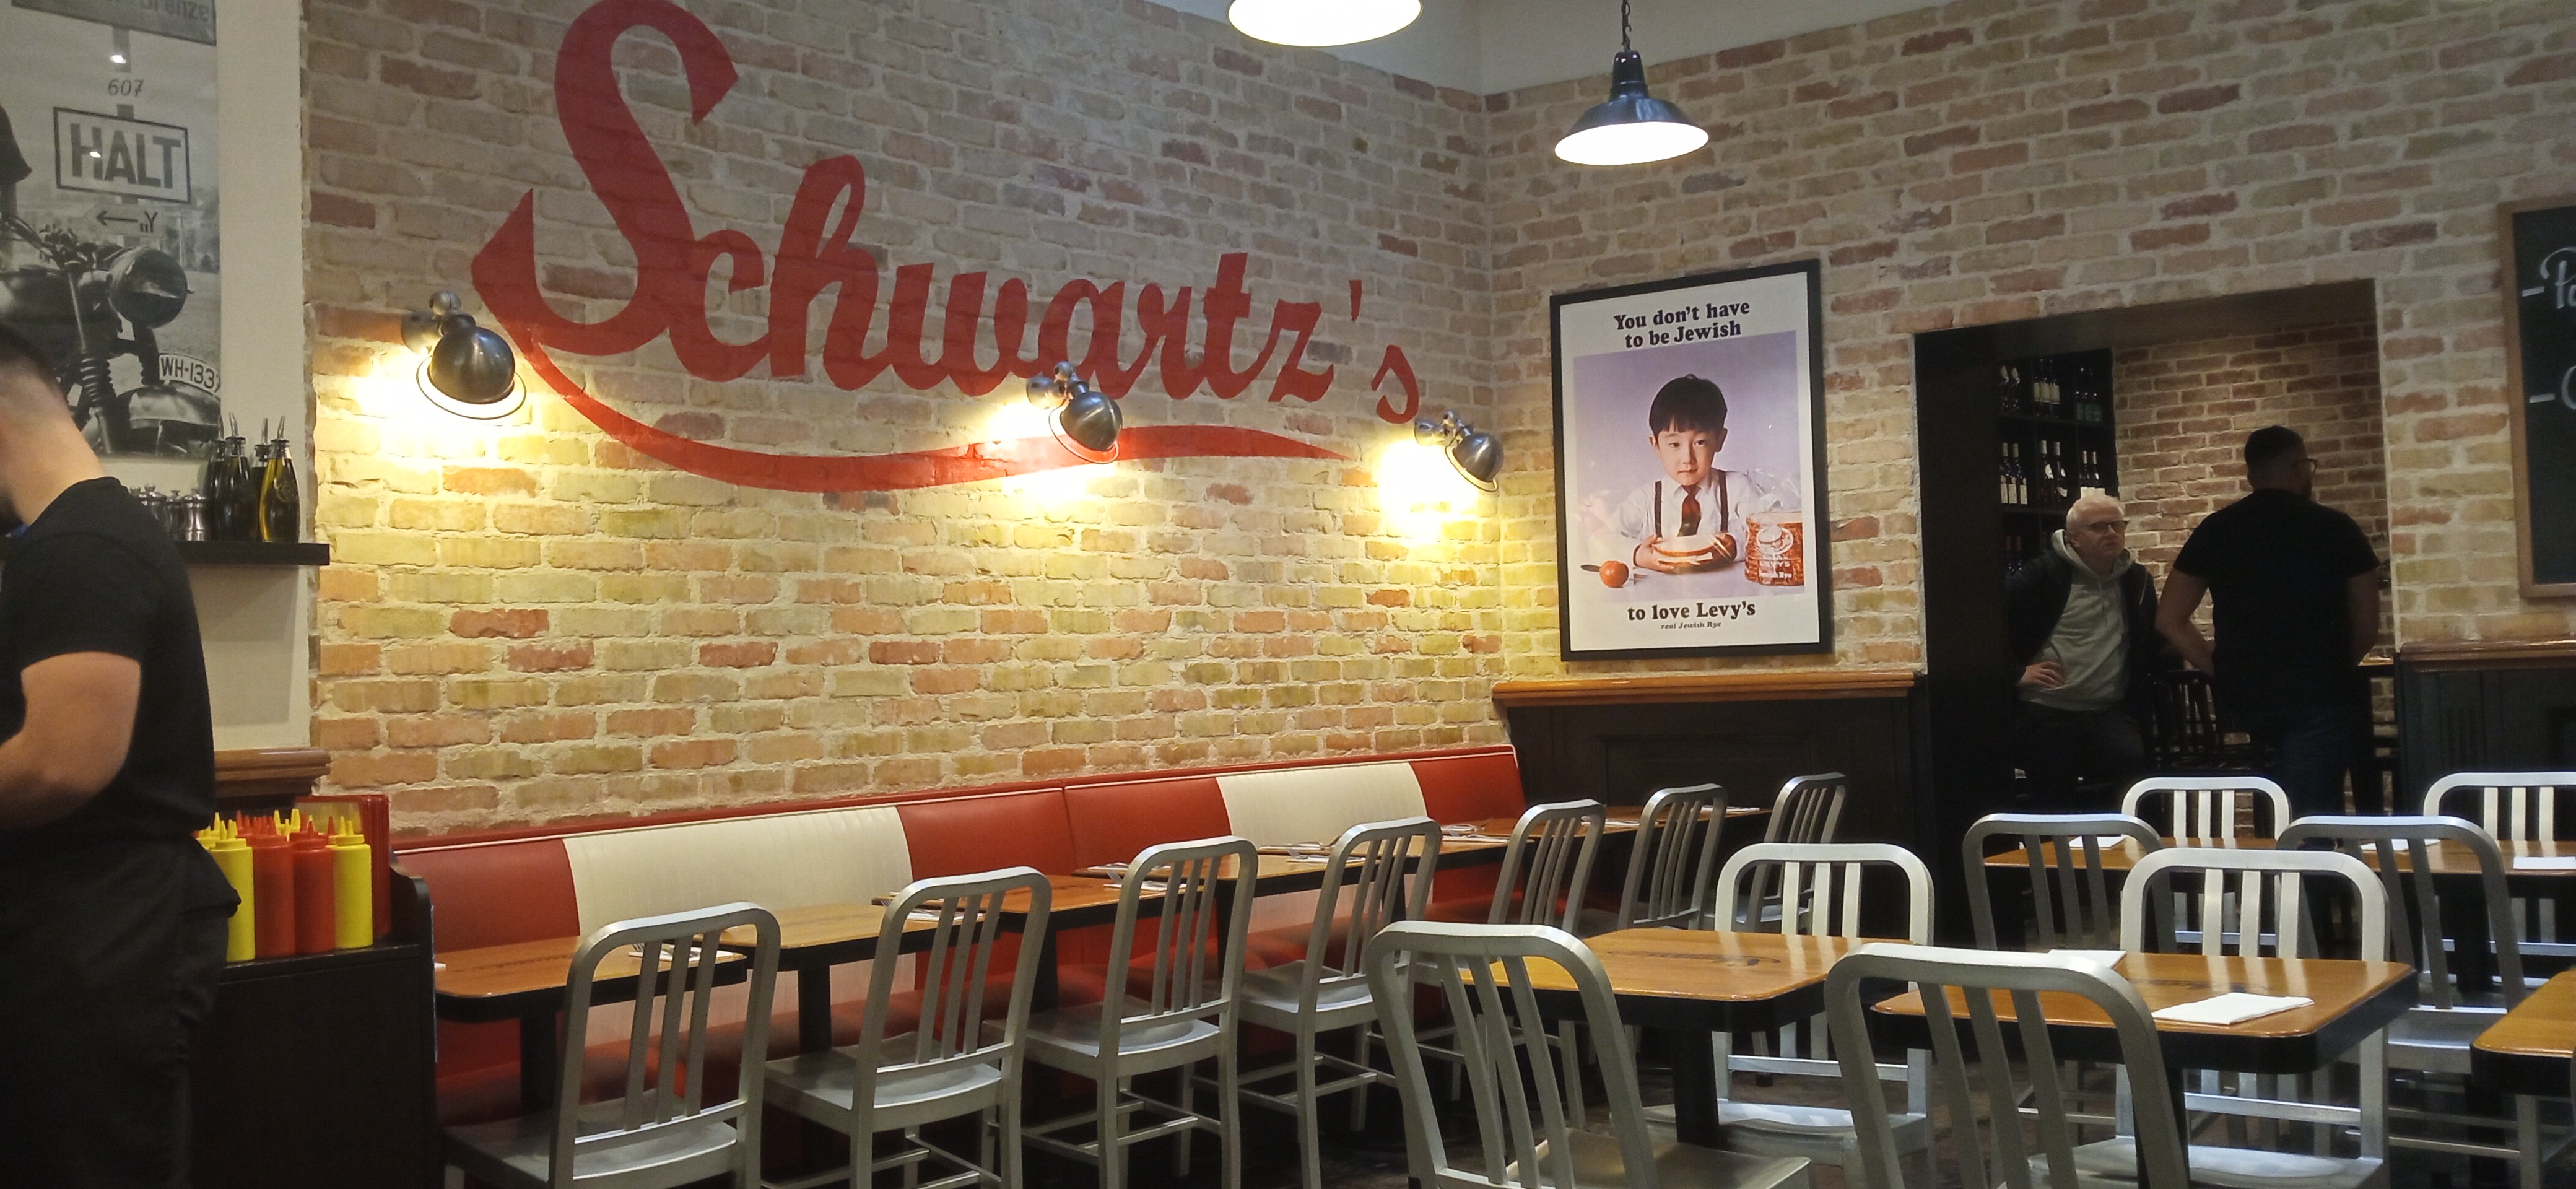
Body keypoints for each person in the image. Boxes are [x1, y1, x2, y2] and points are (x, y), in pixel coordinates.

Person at [0, 321, 230, 1185]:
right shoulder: (75, 540)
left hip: (101, 933)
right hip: (88, 926)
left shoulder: (81, 547)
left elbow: (62, 763)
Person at [2158, 425, 2382, 819]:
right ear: (2299, 467)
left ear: (2251, 475)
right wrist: (2338, 663)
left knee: (2281, 803)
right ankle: (2316, 854)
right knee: (2311, 815)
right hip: (2319, 691)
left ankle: (2277, 848)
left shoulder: (2218, 529)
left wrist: (2219, 668)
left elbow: (2170, 618)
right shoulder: (2336, 527)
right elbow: (2366, 620)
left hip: (2247, 697)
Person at [2006, 494, 2163, 808]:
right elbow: (1984, 623)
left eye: (2117, 525)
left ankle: (2130, 840)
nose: (2111, 533)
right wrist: (2016, 672)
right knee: (2053, 802)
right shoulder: (2044, 575)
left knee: (2135, 781)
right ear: (2073, 537)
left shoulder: (2136, 580)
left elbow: (2148, 640)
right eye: (2098, 527)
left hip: (2108, 710)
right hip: (2048, 710)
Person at [1607, 374, 1793, 572]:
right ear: (1656, 445)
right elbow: (1601, 539)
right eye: (1674, 444)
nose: (1687, 458)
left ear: (1720, 440)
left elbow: (1779, 531)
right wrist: (1638, 555)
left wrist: (1736, 546)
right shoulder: (1645, 499)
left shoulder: (1737, 488)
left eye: (1700, 442)